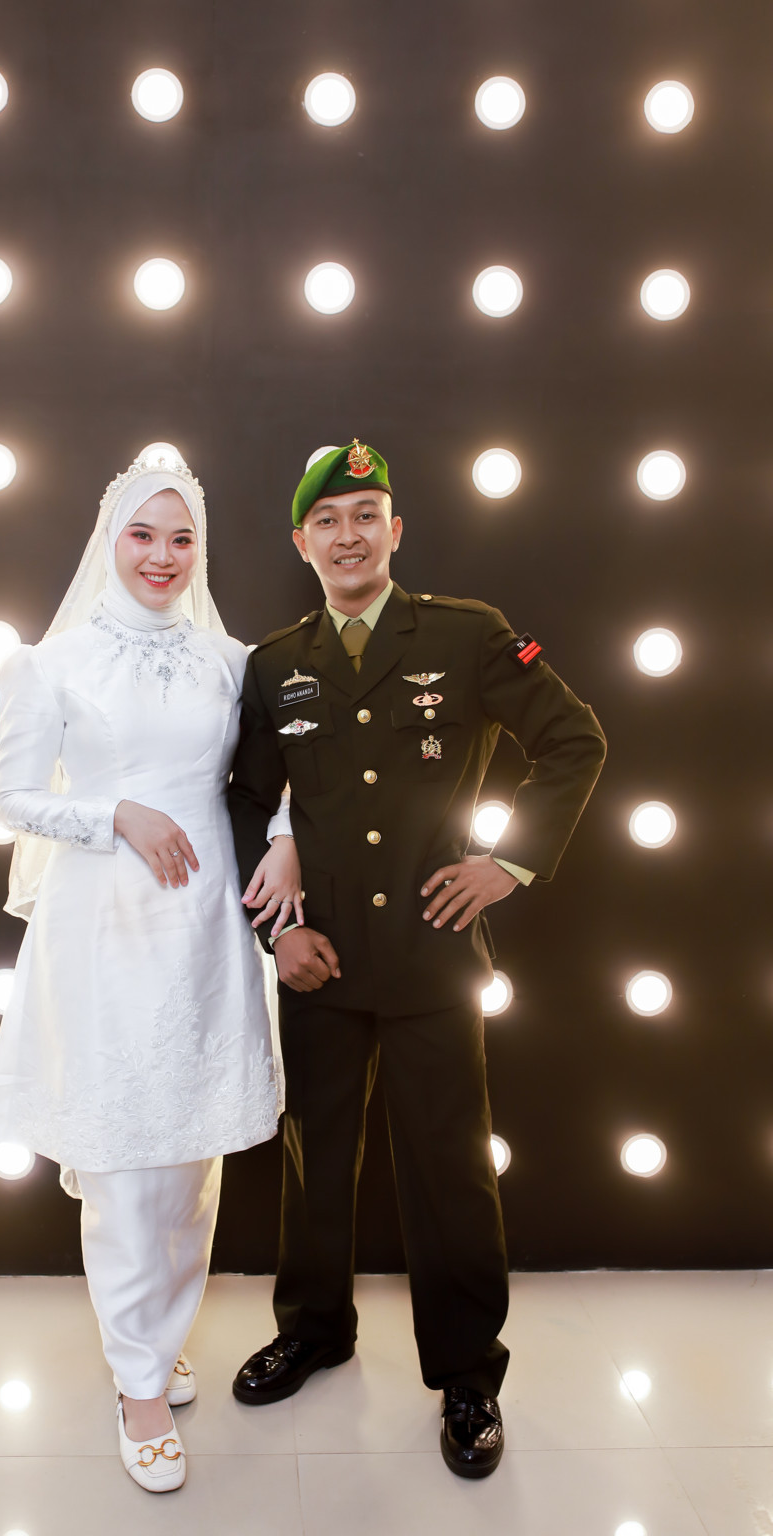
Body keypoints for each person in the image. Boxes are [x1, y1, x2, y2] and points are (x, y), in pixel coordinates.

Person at [227, 439, 606, 1479]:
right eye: (327, 521)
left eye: (366, 515)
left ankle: (468, 1373)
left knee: (450, 1173)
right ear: (300, 543)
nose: (347, 536)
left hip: (434, 951)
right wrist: (276, 930)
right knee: (315, 1164)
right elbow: (247, 800)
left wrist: (509, 863)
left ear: (396, 531)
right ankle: (314, 1330)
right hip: (322, 958)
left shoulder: (465, 633)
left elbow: (573, 740)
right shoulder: (275, 664)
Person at [0, 452, 302, 1493]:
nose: (163, 556)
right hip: (103, 928)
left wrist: (286, 838)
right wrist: (116, 813)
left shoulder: (232, 661)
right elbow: (15, 801)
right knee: (122, 1164)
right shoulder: (49, 663)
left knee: (191, 1160)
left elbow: (277, 782)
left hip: (205, 925)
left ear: (200, 549)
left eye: (181, 537)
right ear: (109, 539)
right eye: (143, 535)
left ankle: (158, 1336)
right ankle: (139, 1385)